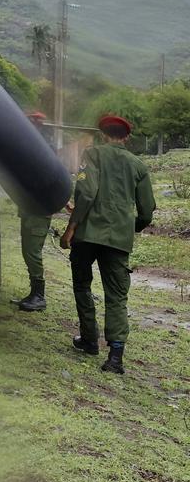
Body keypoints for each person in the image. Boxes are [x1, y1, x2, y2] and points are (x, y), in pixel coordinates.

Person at [60, 115, 155, 374]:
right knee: (116, 295)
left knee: (82, 284)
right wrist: (129, 227)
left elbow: (86, 192)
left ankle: (89, 340)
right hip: (118, 240)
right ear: (126, 137)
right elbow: (147, 211)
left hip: (88, 235)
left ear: (103, 135)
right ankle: (115, 357)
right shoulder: (138, 165)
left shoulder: (92, 155)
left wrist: (71, 227)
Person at [16, 112, 56, 312]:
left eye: (33, 122)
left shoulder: (43, 147)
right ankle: (34, 293)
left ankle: (39, 296)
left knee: (32, 253)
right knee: (28, 251)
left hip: (39, 210)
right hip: (30, 209)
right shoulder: (33, 145)